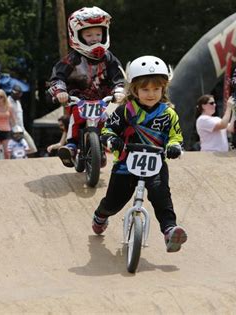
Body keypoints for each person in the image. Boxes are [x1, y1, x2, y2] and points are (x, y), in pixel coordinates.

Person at [92, 55, 187, 253]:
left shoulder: (168, 114)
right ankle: (101, 215)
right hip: (126, 164)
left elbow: (175, 136)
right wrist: (110, 139)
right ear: (134, 89)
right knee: (114, 202)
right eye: (145, 89)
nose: (151, 94)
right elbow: (108, 129)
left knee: (161, 196)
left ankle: (170, 231)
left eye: (156, 89)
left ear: (163, 89)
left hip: (156, 164)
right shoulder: (125, 111)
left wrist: (174, 147)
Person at [47, 6, 125, 168]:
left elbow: (118, 76)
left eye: (98, 34)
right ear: (76, 35)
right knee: (75, 118)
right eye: (88, 35)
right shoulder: (72, 59)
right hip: (78, 100)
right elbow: (57, 77)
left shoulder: (109, 58)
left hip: (102, 100)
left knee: (108, 122)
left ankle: (106, 144)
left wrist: (119, 90)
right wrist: (60, 91)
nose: (94, 38)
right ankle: (71, 146)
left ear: (105, 34)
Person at [7, 84, 37, 154]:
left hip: (22, 129)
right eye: (16, 93)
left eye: (19, 94)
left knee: (32, 148)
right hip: (14, 131)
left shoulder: (18, 102)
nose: (17, 95)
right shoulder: (8, 102)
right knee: (13, 150)